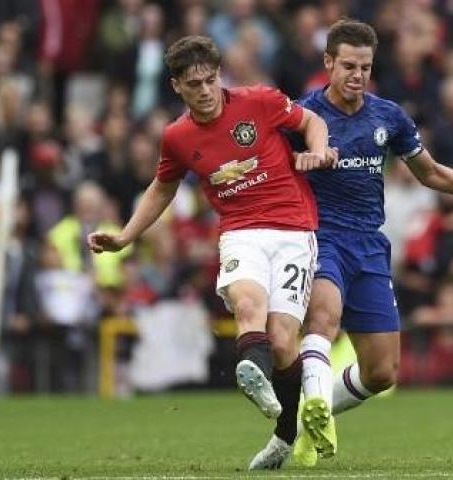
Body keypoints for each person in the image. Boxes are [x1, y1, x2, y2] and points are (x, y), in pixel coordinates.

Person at [250, 19, 453, 468]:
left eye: (366, 67)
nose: (357, 75)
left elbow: (429, 172)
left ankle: (297, 422)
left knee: (381, 372)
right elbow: (268, 169)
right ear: (328, 63)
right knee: (324, 318)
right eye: (349, 65)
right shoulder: (302, 115)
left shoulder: (388, 116)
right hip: (319, 237)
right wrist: (299, 159)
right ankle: (309, 413)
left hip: (370, 245)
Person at [86, 35, 331, 469]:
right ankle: (251, 373)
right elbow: (162, 188)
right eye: (193, 83)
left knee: (281, 341)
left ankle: (285, 432)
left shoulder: (259, 100)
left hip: (294, 229)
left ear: (220, 76)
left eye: (210, 79)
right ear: (176, 85)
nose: (204, 90)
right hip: (240, 232)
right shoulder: (177, 137)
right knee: (248, 303)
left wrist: (316, 150)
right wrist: (126, 236)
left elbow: (311, 121)